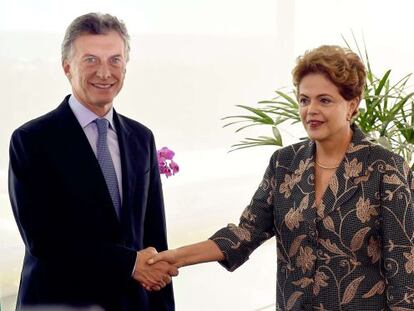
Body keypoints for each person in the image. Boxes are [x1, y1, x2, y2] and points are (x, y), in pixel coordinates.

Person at [146, 45, 414, 310]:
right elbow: (245, 233)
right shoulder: (285, 163)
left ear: (351, 105)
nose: (311, 110)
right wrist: (175, 257)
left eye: (325, 100)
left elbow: (404, 266)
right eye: (304, 99)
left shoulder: (386, 168)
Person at [8, 13, 177, 311]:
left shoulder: (141, 138)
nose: (104, 72)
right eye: (91, 60)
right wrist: (129, 264)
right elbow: (44, 240)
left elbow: (153, 236)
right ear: (67, 67)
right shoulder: (32, 140)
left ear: (126, 65)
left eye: (115, 60)